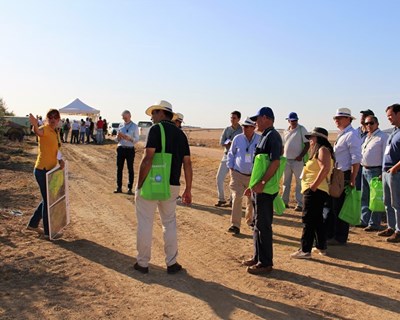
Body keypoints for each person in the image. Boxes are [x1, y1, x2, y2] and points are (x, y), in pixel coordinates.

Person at [134, 100, 192, 274]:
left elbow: (148, 158)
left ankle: (143, 263)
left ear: (161, 113)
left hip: (153, 183)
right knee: (169, 223)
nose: (151, 117)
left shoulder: (156, 129)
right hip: (173, 185)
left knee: (145, 222)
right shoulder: (181, 135)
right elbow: (187, 164)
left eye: (153, 113)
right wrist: (188, 189)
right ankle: (172, 263)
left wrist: (139, 184)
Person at [242, 107, 282, 275]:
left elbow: (275, 163)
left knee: (263, 225)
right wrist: (253, 186)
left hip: (265, 189)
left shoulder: (273, 136)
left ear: (266, 118)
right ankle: (258, 257)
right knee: (257, 224)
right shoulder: (264, 135)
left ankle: (265, 263)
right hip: (259, 188)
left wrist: (262, 183)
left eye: (257, 119)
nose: (255, 122)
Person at [290, 127, 333, 259]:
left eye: (312, 138)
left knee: (308, 219)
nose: (310, 141)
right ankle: (321, 246)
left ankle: (305, 249)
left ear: (318, 138)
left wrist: (313, 185)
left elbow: (325, 168)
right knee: (317, 219)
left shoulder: (323, 150)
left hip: (315, 189)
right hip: (316, 189)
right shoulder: (318, 151)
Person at [26, 109, 65, 239]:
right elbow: (38, 132)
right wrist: (34, 124)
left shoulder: (56, 132)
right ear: (47, 118)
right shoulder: (45, 128)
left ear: (58, 120)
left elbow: (57, 149)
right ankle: (48, 232)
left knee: (46, 199)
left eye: (55, 117)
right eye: (50, 117)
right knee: (48, 201)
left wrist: (60, 160)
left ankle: (32, 224)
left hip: (50, 170)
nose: (53, 119)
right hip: (41, 170)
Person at [327, 108, 362, 245]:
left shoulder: (351, 135)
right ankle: (333, 234)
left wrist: (352, 178)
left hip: (345, 174)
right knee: (334, 206)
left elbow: (356, 159)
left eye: (340, 118)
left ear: (348, 119)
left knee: (340, 207)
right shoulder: (343, 134)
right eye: (336, 118)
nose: (337, 120)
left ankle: (340, 237)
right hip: (338, 173)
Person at [226, 117, 260, 234]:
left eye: (247, 127)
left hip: (253, 176)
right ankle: (235, 225)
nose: (244, 128)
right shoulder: (238, 138)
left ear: (253, 128)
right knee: (237, 198)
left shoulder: (259, 139)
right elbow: (231, 153)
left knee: (251, 199)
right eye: (244, 126)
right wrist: (231, 167)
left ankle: (250, 221)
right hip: (237, 174)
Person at [360, 115, 388, 231]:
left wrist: (383, 171)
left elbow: (385, 156)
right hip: (364, 169)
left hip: (376, 170)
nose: (369, 126)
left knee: (375, 197)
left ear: (377, 124)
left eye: (371, 123)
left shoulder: (382, 137)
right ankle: (364, 220)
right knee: (365, 196)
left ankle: (374, 223)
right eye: (366, 124)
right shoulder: (367, 137)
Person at [378, 103, 400, 242]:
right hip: (387, 172)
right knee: (388, 202)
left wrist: (395, 168)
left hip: (396, 172)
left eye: (391, 115)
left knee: (397, 203)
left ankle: (399, 230)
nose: (389, 118)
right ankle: (391, 227)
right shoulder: (394, 131)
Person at [282, 112, 309, 211]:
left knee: (299, 182)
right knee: (286, 182)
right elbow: (283, 145)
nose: (293, 122)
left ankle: (300, 204)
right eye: (292, 121)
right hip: (286, 160)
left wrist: (300, 156)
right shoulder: (285, 131)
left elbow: (307, 144)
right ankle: (284, 202)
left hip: (298, 161)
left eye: (295, 120)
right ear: (288, 121)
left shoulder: (302, 129)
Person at [215, 111, 243, 207]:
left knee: (233, 180)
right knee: (219, 178)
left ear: (239, 119)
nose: (232, 119)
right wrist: (226, 143)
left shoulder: (242, 131)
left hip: (236, 158)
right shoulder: (227, 129)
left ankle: (232, 201)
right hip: (226, 156)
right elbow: (221, 142)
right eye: (231, 118)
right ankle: (221, 199)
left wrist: (234, 144)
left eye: (234, 118)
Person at [114, 110, 139, 194]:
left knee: (130, 169)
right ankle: (119, 187)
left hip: (130, 149)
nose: (124, 119)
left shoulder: (135, 126)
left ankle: (129, 188)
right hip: (121, 148)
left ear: (129, 116)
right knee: (119, 168)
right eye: (123, 117)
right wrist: (118, 137)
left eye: (125, 117)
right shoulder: (121, 125)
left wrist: (130, 139)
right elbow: (116, 139)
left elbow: (137, 140)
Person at [355, 109, 375, 190]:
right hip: (356, 164)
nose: (362, 117)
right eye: (362, 116)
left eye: (365, 116)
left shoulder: (373, 133)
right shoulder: (356, 131)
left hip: (367, 166)